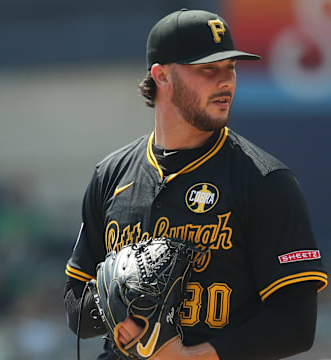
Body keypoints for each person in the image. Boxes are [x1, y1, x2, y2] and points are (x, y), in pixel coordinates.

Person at [64, 9, 328, 360]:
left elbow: (296, 324)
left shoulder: (264, 181)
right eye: (208, 70)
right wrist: (116, 308)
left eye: (230, 68)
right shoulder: (110, 176)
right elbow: (75, 308)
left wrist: (196, 356)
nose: (225, 82)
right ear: (161, 76)